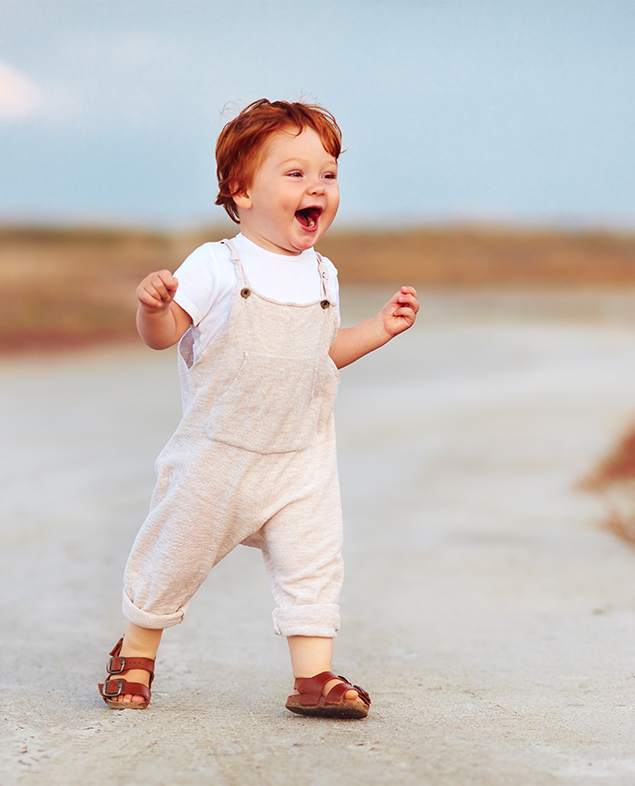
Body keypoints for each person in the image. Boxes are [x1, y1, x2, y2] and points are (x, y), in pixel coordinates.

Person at [97, 99, 419, 720]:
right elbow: (165, 337)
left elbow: (321, 354)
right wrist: (152, 307)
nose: (317, 188)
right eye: (295, 174)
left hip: (301, 457)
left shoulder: (323, 273)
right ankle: (135, 653)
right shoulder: (217, 264)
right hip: (217, 454)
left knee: (315, 561)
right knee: (175, 553)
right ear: (240, 190)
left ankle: (313, 676)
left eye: (328, 175)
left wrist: (378, 329)